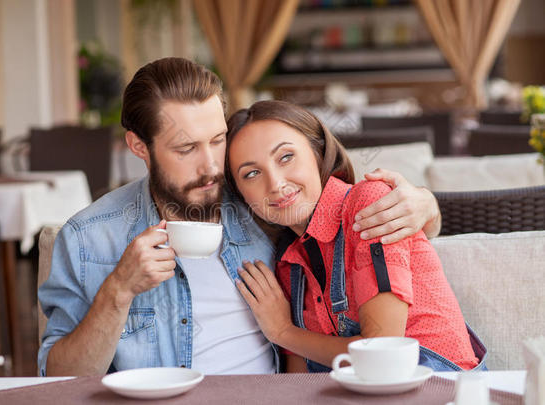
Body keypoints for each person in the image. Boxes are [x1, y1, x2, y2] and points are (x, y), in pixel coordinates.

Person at [38, 57, 443, 376]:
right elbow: (60, 378)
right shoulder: (90, 237)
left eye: (218, 140)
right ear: (139, 146)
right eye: (186, 149)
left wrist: (427, 205)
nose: (211, 165)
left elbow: (345, 220)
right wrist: (118, 291)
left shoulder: (261, 201)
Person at [225, 100, 487, 373]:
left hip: (444, 389)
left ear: (318, 152)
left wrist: (282, 331)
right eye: (252, 173)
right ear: (241, 195)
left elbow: (381, 355)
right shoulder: (287, 261)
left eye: (286, 157)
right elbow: (297, 385)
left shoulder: (369, 206)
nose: (276, 184)